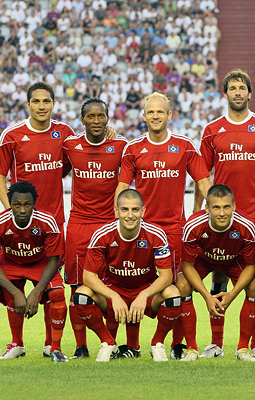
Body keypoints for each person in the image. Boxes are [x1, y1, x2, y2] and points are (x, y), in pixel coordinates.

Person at [193, 69, 255, 359]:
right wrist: (197, 211)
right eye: (232, 88)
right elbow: (201, 175)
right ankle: (216, 343)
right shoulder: (212, 129)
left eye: (241, 88)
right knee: (219, 274)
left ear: (249, 93)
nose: (237, 92)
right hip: (219, 218)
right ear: (225, 94)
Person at [115, 92, 211, 359]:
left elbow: (203, 182)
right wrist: (120, 222)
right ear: (143, 116)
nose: (155, 116)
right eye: (150, 112)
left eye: (161, 112)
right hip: (140, 230)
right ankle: (132, 345)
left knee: (180, 287)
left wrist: (202, 212)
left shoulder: (184, 145)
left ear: (170, 115)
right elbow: (122, 188)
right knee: (133, 283)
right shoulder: (133, 148)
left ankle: (177, 344)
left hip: (173, 230)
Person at [0, 81, 75, 357]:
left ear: (53, 104)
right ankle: (17, 343)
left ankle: (51, 344)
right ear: (28, 105)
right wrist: (9, 212)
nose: (41, 106)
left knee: (51, 286)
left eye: (46, 101)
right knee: (16, 280)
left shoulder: (65, 133)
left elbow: (77, 159)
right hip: (19, 224)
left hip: (53, 224)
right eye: (36, 101)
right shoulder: (12, 135)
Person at [73, 189, 182, 362]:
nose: (130, 215)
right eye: (124, 210)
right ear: (116, 211)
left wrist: (144, 294)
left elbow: (167, 276)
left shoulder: (156, 234)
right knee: (81, 295)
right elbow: (88, 277)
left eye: (135, 210)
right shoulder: (102, 234)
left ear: (143, 211)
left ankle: (157, 344)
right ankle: (108, 342)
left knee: (174, 294)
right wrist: (114, 296)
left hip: (145, 289)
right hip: (113, 288)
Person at [62, 98, 127, 359]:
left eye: (101, 116)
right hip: (79, 225)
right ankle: (80, 345)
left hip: (110, 225)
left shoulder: (121, 146)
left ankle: (110, 341)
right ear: (82, 120)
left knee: (113, 285)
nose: (96, 121)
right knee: (76, 287)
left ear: (108, 118)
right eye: (91, 116)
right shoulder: (70, 145)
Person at [0, 181, 68, 363]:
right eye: (16, 205)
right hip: (9, 264)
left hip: (41, 264)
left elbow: (54, 261)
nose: (22, 210)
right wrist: (16, 291)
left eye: (27, 204)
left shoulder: (47, 221)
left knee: (57, 293)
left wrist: (36, 292)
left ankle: (54, 348)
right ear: (10, 205)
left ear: (34, 204)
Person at [180, 184, 255, 361]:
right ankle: (191, 348)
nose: (222, 213)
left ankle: (243, 349)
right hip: (204, 259)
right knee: (182, 285)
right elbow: (187, 265)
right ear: (207, 208)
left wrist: (232, 294)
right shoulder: (194, 225)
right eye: (216, 207)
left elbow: (252, 265)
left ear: (234, 206)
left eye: (226, 207)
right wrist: (207, 296)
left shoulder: (246, 225)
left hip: (234, 260)